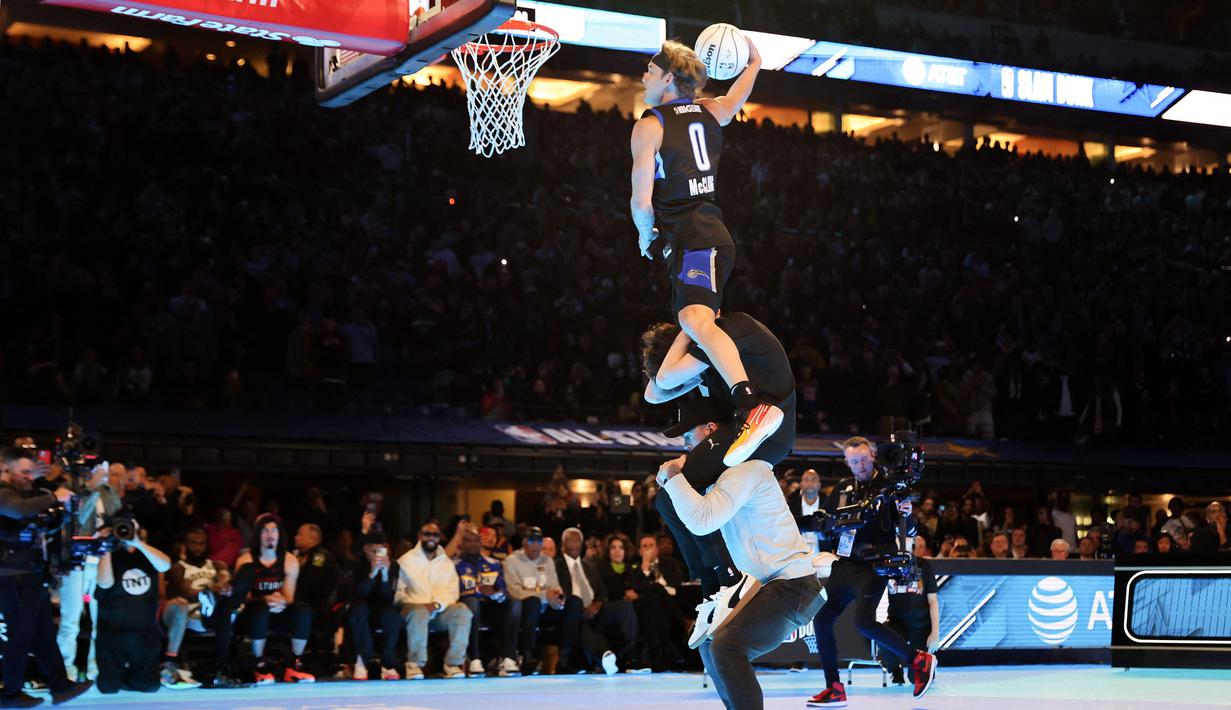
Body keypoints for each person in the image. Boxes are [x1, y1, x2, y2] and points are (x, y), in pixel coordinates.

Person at [630, 36, 782, 468]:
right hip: (707, 234)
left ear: (668, 78)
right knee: (692, 331)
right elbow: (737, 96)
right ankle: (734, 392)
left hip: (694, 237)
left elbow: (641, 202)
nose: (644, 74)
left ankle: (750, 403)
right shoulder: (712, 109)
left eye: (650, 68)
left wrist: (644, 236)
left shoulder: (650, 123)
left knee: (694, 319)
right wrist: (753, 60)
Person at [656, 406, 824, 710]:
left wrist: (672, 478)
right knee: (710, 645)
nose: (686, 449)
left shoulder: (748, 469)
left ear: (709, 430)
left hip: (792, 585)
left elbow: (701, 519)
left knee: (726, 647)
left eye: (688, 440)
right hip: (766, 585)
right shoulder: (727, 476)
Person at [808, 437, 937, 706]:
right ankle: (834, 687)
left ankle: (917, 660)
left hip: (874, 566)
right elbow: (828, 522)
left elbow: (910, 531)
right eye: (854, 461)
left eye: (864, 460)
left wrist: (908, 514)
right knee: (821, 619)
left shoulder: (889, 487)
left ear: (874, 457)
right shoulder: (843, 488)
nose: (860, 466)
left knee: (863, 623)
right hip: (844, 564)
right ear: (846, 462)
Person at [0, 447, 93, 708]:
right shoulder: (5, 494)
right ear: (6, 469)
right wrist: (54, 496)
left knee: (43, 635)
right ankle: (9, 694)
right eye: (24, 472)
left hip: (30, 575)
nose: (29, 477)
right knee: (19, 636)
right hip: (11, 578)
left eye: (32, 472)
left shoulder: (26, 495)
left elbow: (38, 522)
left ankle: (60, 686)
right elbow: (18, 511)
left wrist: (61, 511)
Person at [230, 513, 316, 684]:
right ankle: (258, 664)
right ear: (258, 535)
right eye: (265, 531)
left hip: (277, 613)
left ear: (280, 534)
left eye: (274, 530)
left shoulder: (290, 561)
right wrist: (264, 600)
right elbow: (240, 598)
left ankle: (294, 665)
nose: (270, 535)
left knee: (302, 609)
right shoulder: (245, 560)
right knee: (260, 609)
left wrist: (282, 602)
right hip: (251, 614)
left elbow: (289, 597)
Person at [57, 460, 122, 683]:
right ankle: (65, 670)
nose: (100, 474)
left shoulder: (109, 492)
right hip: (75, 562)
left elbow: (119, 517)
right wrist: (89, 489)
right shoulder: (71, 490)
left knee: (100, 620)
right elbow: (78, 518)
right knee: (70, 621)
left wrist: (110, 532)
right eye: (93, 470)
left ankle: (97, 669)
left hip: (101, 559)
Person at [95, 524, 172, 694]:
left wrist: (138, 543)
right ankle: (119, 677)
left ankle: (129, 677)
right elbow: (104, 583)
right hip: (113, 632)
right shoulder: (111, 556)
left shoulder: (147, 555)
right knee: (107, 687)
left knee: (150, 686)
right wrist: (106, 547)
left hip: (144, 632)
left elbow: (165, 565)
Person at [395, 522, 473, 680]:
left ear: (440, 538)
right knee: (419, 612)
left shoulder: (446, 564)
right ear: (419, 536)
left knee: (463, 611)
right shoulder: (406, 561)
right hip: (413, 610)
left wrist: (437, 605)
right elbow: (398, 593)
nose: (431, 538)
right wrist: (419, 604)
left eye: (435, 535)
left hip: (439, 612)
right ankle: (414, 663)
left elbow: (452, 591)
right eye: (427, 534)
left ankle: (453, 663)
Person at [553, 527, 630, 675]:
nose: (575, 544)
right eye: (571, 540)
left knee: (624, 606)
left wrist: (596, 605)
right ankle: (602, 657)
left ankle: (630, 655)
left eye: (578, 541)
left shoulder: (589, 565)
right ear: (563, 544)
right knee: (579, 614)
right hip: (570, 611)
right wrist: (582, 608)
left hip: (594, 609)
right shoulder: (557, 565)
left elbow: (602, 592)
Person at [161, 527, 226, 689]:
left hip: (217, 612)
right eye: (193, 543)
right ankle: (208, 603)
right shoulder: (178, 567)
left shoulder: (217, 565)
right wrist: (210, 591)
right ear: (184, 545)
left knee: (227, 605)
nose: (197, 548)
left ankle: (224, 668)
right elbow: (186, 591)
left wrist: (224, 584)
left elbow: (226, 579)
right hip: (190, 614)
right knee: (193, 604)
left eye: (201, 544)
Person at [502, 526, 566, 676]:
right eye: (532, 541)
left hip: (546, 607)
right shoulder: (512, 561)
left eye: (539, 541)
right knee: (533, 602)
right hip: (523, 609)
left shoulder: (547, 561)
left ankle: (565, 660)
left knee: (574, 603)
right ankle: (528, 654)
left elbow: (554, 586)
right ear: (524, 542)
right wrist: (544, 595)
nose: (536, 545)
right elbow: (515, 592)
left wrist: (557, 596)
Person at [880, 537, 939, 686]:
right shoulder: (888, 566)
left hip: (920, 625)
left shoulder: (924, 566)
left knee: (916, 679)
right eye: (899, 540)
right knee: (880, 634)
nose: (902, 544)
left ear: (912, 543)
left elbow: (933, 601)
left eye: (906, 540)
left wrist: (935, 631)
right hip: (897, 622)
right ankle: (895, 670)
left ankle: (929, 666)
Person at [347, 531, 402, 680]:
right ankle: (362, 661)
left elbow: (387, 597)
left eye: (380, 550)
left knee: (393, 615)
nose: (377, 555)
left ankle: (388, 664)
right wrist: (371, 574)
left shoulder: (393, 566)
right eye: (374, 551)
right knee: (360, 609)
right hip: (360, 606)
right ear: (366, 549)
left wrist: (385, 576)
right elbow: (357, 594)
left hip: (381, 607)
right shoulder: (356, 564)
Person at [453, 528, 509, 677]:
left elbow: (502, 589)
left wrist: (496, 593)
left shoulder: (493, 564)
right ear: (461, 544)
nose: (472, 544)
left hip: (490, 607)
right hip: (467, 606)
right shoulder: (454, 564)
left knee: (513, 605)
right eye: (468, 540)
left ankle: (508, 658)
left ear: (480, 543)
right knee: (472, 603)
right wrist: (479, 590)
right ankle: (474, 658)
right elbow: (454, 591)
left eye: (475, 540)